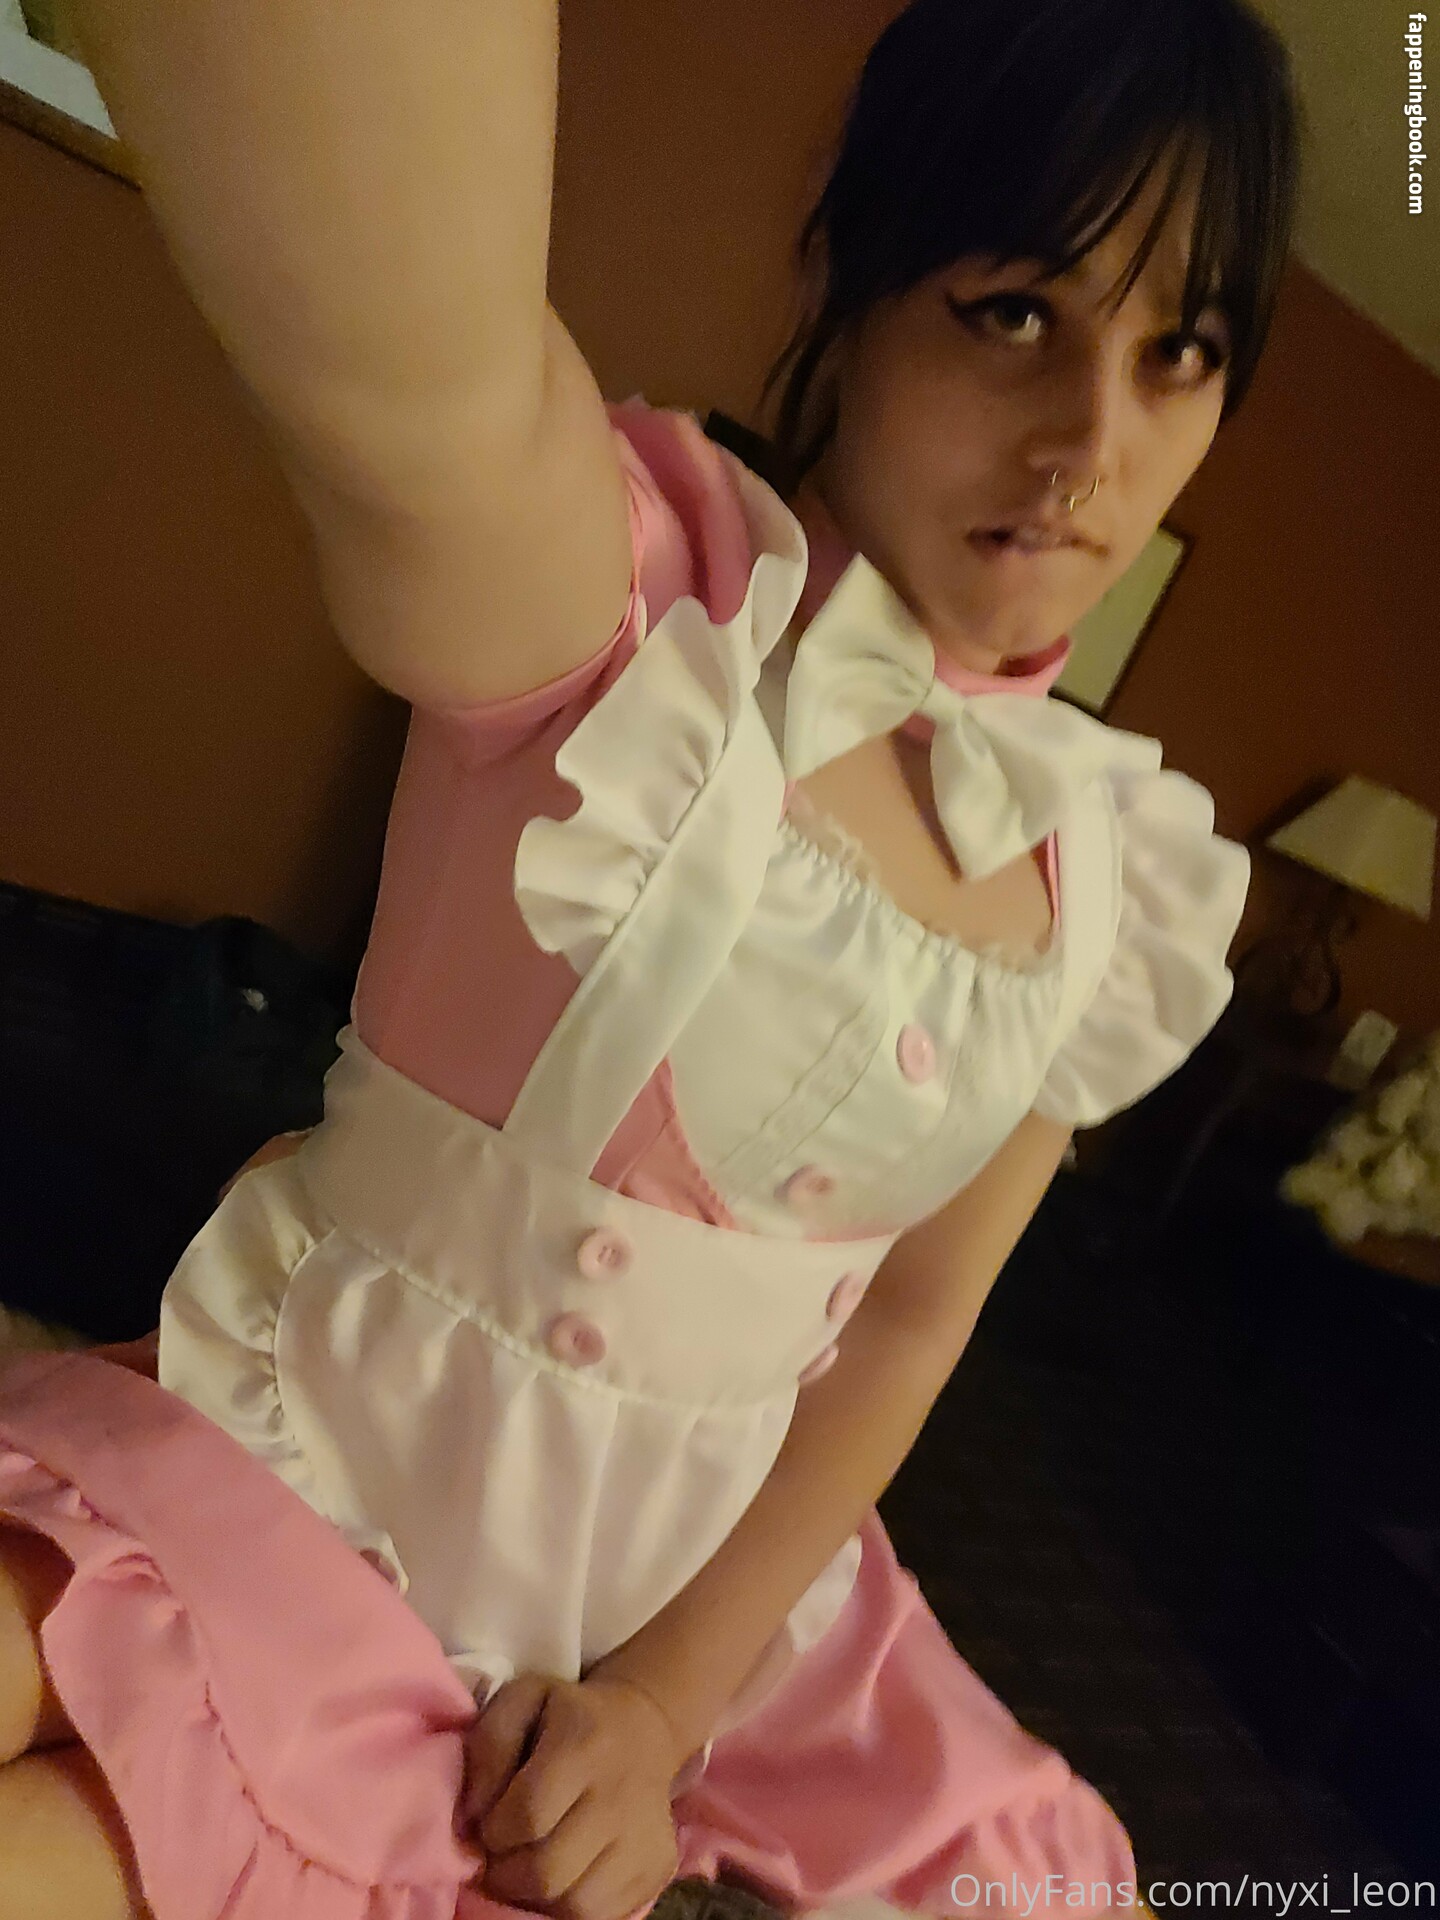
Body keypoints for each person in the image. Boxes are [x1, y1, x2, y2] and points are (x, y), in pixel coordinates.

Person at [0, 0, 1297, 1917]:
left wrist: (662, 1707)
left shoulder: (1123, 889)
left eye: (1179, 353)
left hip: (690, 1623)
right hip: (304, 1467)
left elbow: (910, 1326)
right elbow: (427, 394)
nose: (1091, 449)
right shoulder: (640, 610)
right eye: (1016, 311)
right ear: (853, 283)